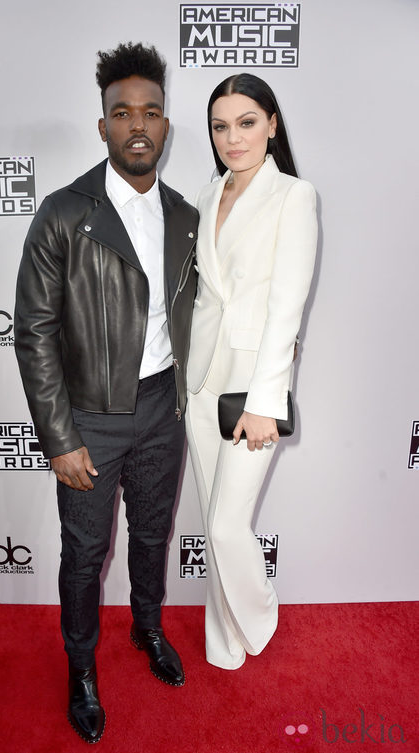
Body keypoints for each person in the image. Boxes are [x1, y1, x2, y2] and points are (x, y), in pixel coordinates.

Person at [14, 42, 198, 743]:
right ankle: (81, 666)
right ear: (103, 127)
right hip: (90, 413)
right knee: (85, 554)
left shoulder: (183, 214)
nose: (138, 124)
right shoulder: (64, 214)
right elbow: (32, 332)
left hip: (162, 407)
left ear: (166, 124)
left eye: (151, 111)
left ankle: (148, 626)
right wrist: (59, 436)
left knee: (152, 534)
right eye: (123, 113)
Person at [185, 73, 318, 670]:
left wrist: (268, 400)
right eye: (220, 126)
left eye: (245, 122)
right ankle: (224, 643)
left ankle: (260, 615)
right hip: (201, 379)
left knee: (227, 525)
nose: (232, 138)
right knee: (212, 514)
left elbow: (287, 305)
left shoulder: (294, 196)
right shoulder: (208, 195)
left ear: (271, 124)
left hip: (251, 387)